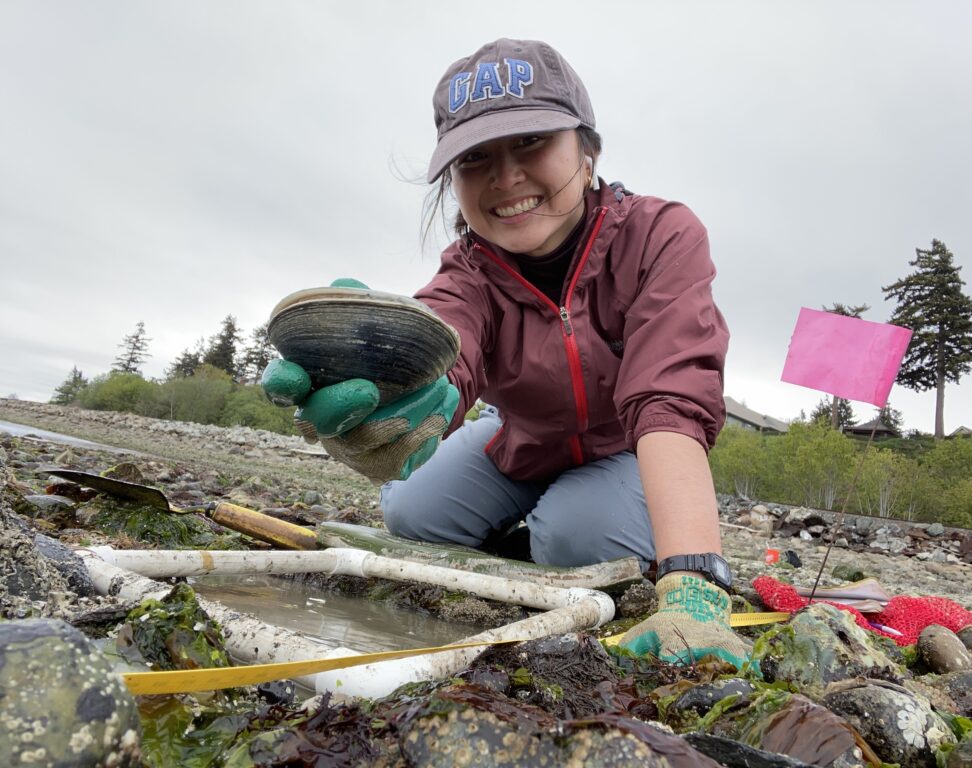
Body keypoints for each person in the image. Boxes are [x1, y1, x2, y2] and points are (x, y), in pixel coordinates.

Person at [262, 38, 748, 669]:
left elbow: (672, 397)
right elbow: (446, 346)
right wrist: (392, 384)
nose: (506, 176)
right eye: (475, 157)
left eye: (530, 142)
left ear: (588, 148)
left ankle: (553, 532)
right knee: (411, 507)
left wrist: (694, 582)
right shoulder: (467, 270)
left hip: (628, 449)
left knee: (578, 539)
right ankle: (525, 533)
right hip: (521, 439)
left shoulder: (661, 235)